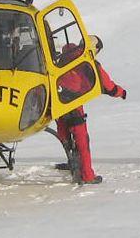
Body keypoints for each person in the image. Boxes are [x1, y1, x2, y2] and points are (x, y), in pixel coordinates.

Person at [54, 35, 126, 184]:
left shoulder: (66, 54)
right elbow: (108, 86)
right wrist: (121, 92)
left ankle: (72, 161)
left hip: (57, 99)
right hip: (72, 101)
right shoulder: (88, 63)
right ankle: (87, 175)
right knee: (82, 138)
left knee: (64, 132)